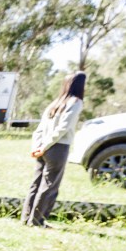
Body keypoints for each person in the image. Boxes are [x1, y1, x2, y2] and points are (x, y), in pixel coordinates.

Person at [21, 72, 86, 227]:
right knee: (49, 186)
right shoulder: (75, 102)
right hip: (57, 147)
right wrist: (44, 146)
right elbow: (64, 127)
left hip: (43, 147)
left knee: (36, 183)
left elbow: (40, 128)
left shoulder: (55, 103)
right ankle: (37, 221)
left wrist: (37, 146)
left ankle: (27, 218)